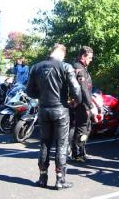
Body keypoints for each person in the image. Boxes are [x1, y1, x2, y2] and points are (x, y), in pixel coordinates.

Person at [26, 43, 82, 190]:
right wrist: (75, 102)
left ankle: (42, 178)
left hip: (44, 109)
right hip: (61, 110)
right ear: (62, 54)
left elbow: (30, 92)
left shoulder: (36, 67)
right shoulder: (65, 66)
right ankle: (60, 180)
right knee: (61, 145)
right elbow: (76, 90)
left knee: (44, 143)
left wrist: (43, 96)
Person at [71, 46, 95, 162]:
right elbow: (84, 89)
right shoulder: (78, 68)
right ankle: (76, 154)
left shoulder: (82, 67)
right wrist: (90, 106)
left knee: (87, 128)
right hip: (82, 104)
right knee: (81, 129)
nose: (91, 60)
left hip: (85, 103)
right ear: (82, 56)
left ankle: (81, 150)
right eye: (89, 57)